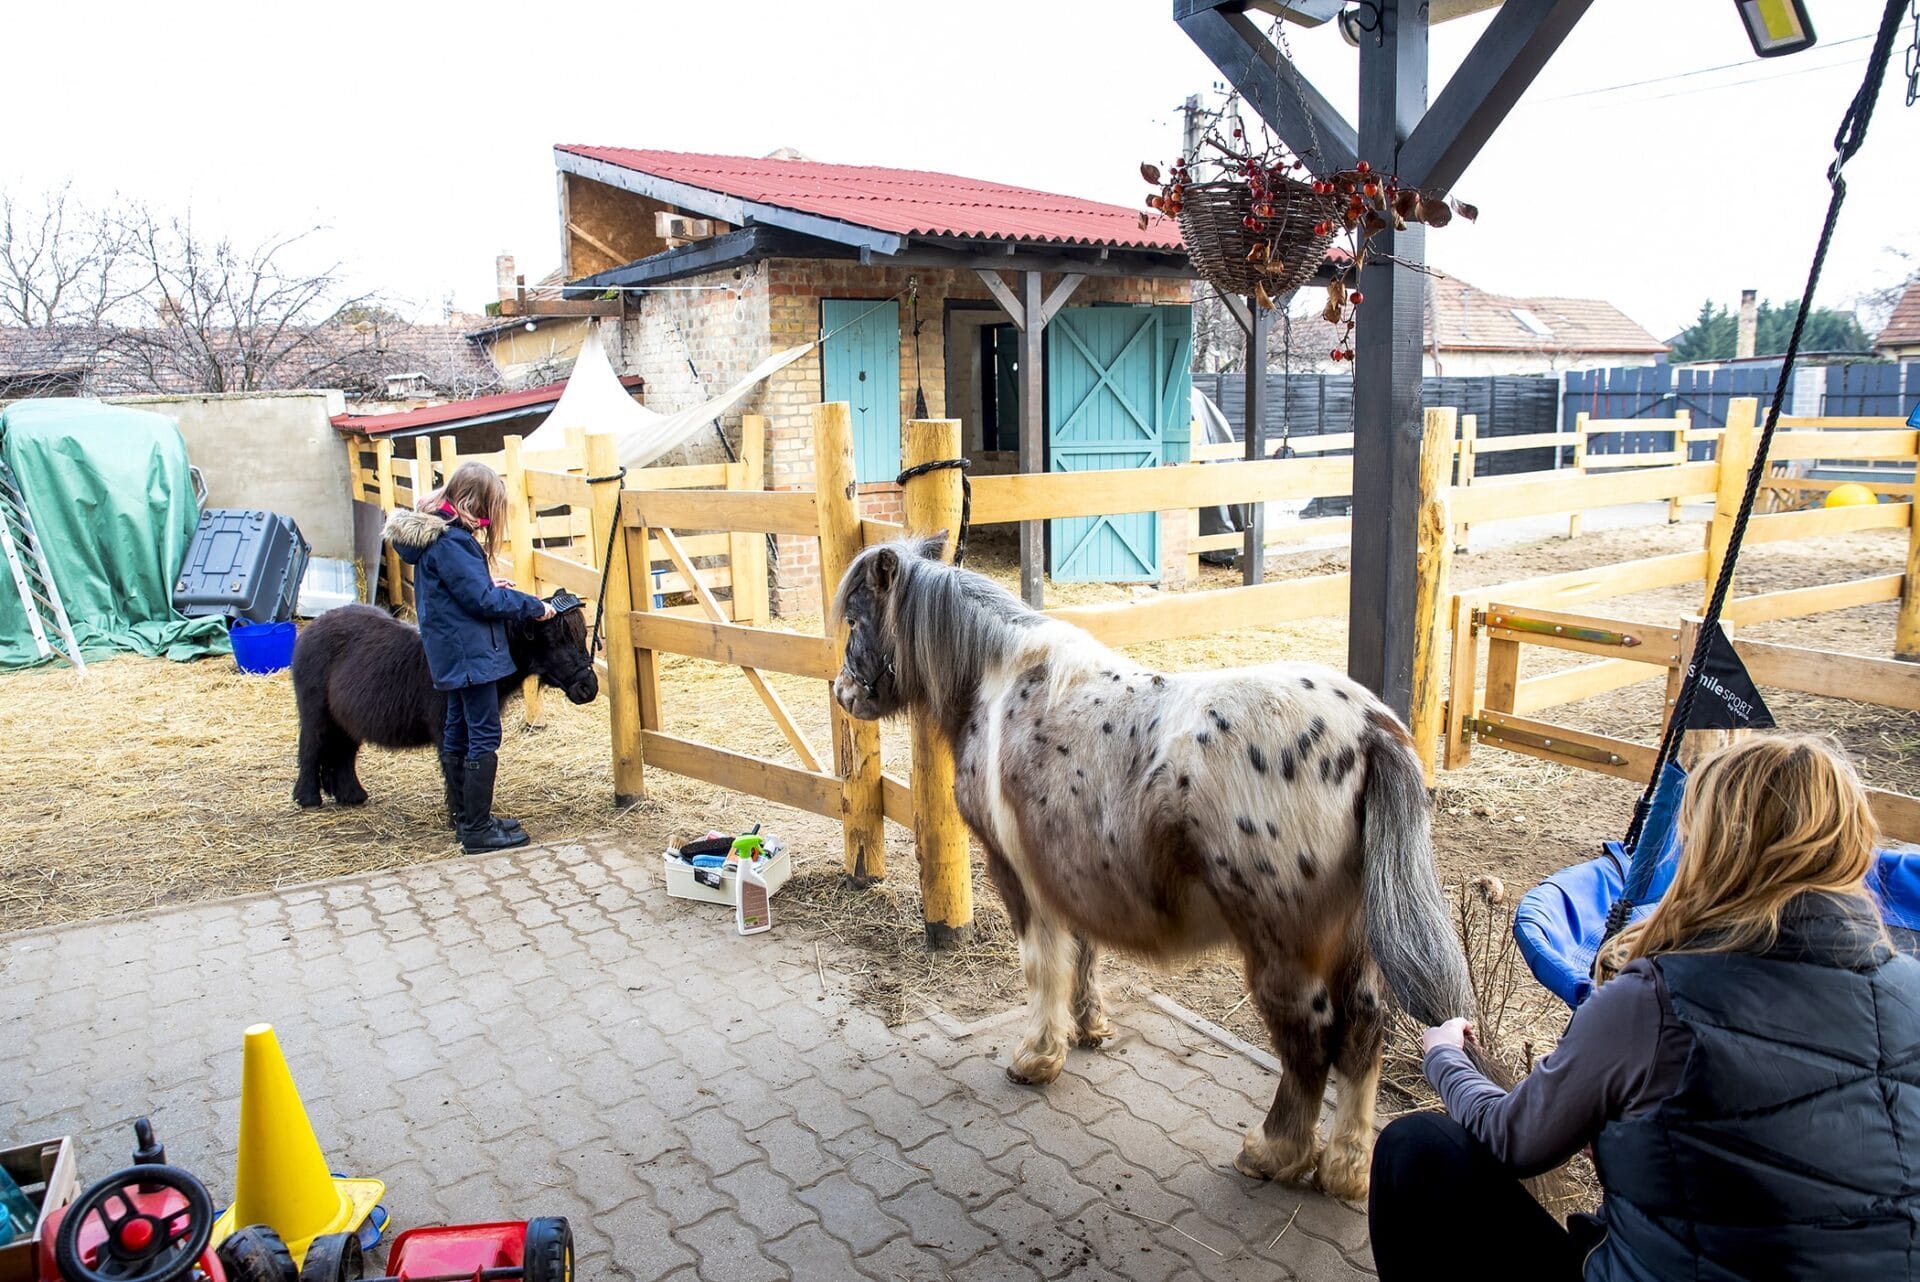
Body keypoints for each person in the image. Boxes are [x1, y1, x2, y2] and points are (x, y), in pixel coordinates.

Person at [1369, 734, 1920, 1281]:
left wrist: (1445, 1057)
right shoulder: (1912, 989)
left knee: (1415, 1150)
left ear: (1711, 843)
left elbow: (1514, 1138)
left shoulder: (1655, 1001)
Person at [387, 462, 553, 854]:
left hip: (452, 651)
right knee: (482, 733)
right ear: (470, 502)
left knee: (459, 728)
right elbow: (481, 601)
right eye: (489, 507)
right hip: (469, 655)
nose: (490, 518)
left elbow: (456, 587)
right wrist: (532, 605)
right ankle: (477, 829)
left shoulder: (437, 536)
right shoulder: (453, 541)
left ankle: (468, 819)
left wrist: (484, 580)